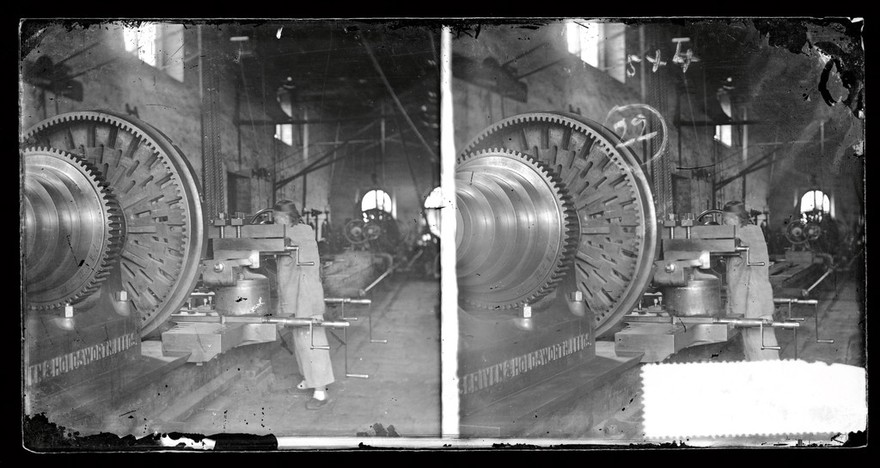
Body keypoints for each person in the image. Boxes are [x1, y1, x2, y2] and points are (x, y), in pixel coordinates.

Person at [273, 199, 335, 409]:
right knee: (300, 341)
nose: (275, 223)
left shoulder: (302, 231)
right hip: (295, 296)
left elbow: (301, 264)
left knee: (312, 341)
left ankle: (320, 392)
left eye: (276, 219)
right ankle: (310, 380)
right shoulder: (290, 232)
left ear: (284, 217)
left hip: (306, 297)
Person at [722, 200, 780, 361]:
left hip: (755, 297)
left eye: (725, 221)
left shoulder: (749, 231)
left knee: (759, 343)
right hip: (748, 298)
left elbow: (721, 240)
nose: (724, 225)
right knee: (752, 345)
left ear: (735, 219)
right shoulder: (744, 232)